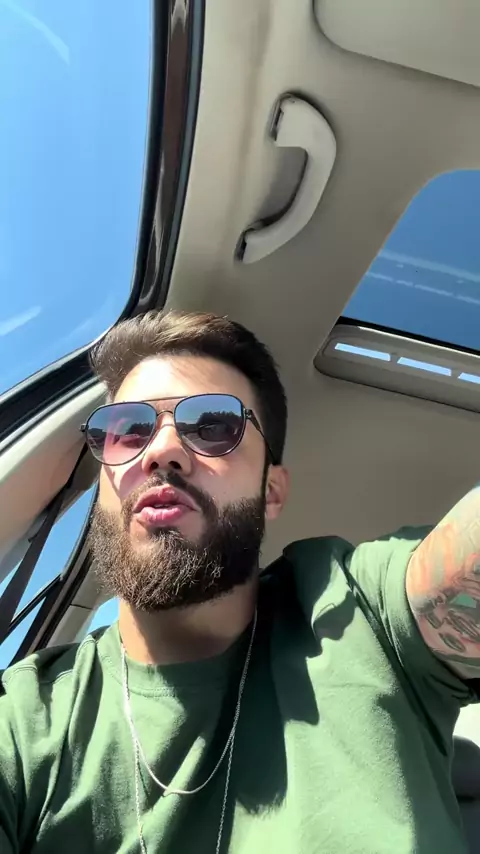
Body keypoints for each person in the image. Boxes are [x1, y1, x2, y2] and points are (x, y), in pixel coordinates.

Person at [0, 309, 479, 854]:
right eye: (128, 430)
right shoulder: (27, 719)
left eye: (213, 426)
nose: (161, 451)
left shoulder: (361, 613)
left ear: (271, 492)